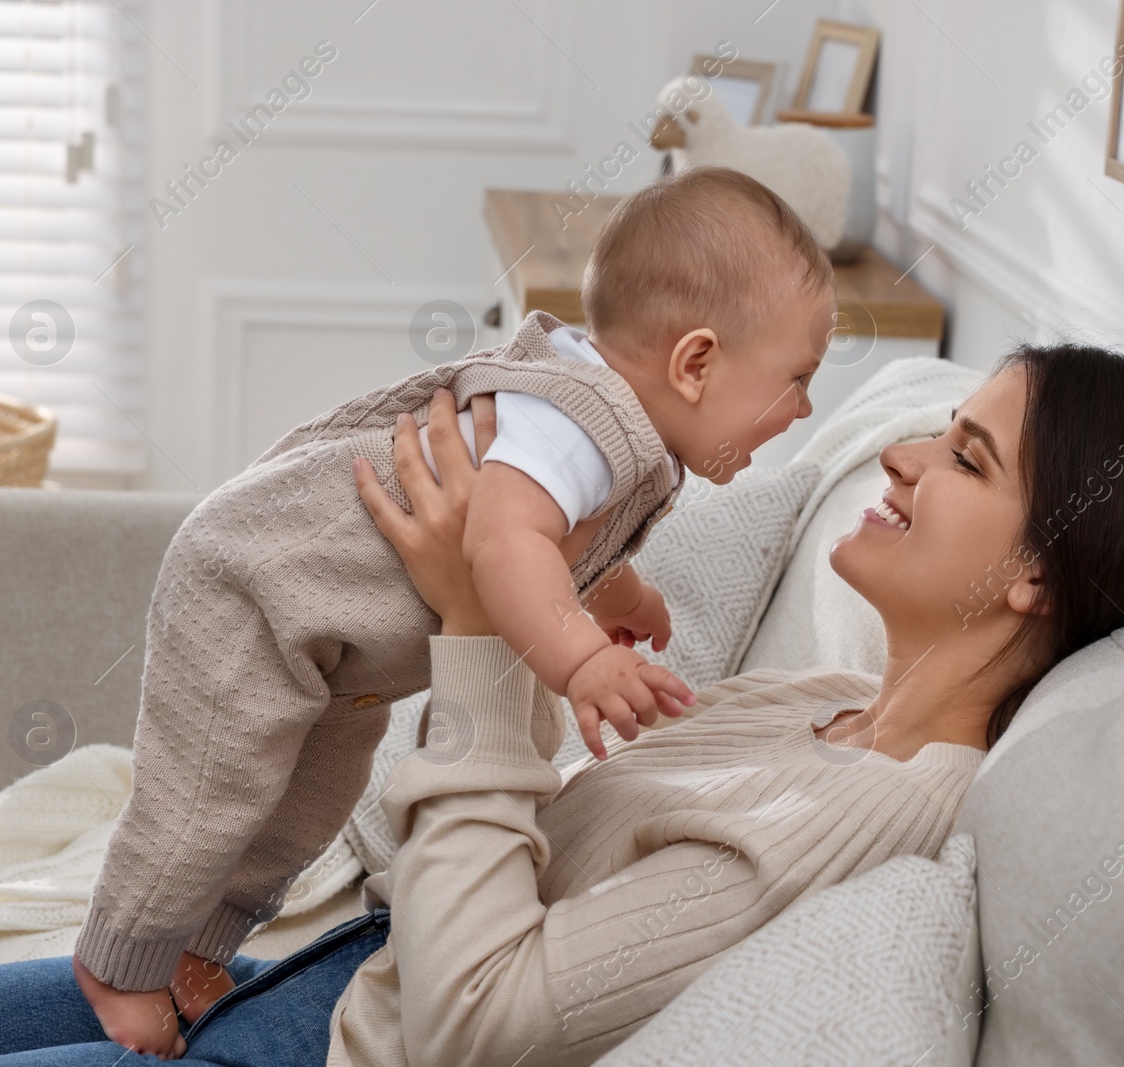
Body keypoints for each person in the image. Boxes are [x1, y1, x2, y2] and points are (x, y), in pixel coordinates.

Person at [0, 339, 1124, 1067]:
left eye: (964, 455)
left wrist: (481, 624)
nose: (902, 455)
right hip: (314, 967)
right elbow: (527, 821)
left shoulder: (881, 812)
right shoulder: (824, 705)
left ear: (1039, 569)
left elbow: (480, 1009)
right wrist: (550, 623)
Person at [69, 166, 839, 1055]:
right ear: (696, 361)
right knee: (211, 789)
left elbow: (555, 538)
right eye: (799, 379)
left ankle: (197, 950)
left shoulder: (618, 439)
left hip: (336, 647)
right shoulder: (580, 423)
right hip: (255, 587)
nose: (806, 409)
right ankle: (119, 956)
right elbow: (506, 545)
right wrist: (584, 657)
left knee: (303, 806)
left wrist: (622, 591)